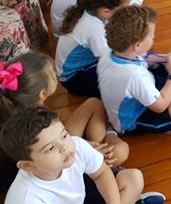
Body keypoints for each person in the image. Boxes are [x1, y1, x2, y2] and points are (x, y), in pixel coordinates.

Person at [0, 52, 130, 195]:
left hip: (51, 151)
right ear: (42, 93)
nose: (56, 75)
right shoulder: (31, 125)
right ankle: (101, 162)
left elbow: (55, 139)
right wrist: (85, 149)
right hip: (50, 169)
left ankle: (98, 159)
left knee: (94, 104)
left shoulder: (22, 109)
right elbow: (52, 155)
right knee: (121, 151)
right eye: (53, 74)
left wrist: (86, 147)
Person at [0, 106, 165, 204]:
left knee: (133, 178)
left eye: (64, 135)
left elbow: (101, 173)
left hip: (82, 196)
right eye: (50, 148)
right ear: (27, 165)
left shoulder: (75, 146)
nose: (64, 147)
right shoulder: (27, 198)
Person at [98, 6, 171, 134]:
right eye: (151, 36)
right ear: (137, 45)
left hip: (142, 90)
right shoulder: (135, 77)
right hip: (136, 119)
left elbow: (141, 59)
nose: (153, 37)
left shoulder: (111, 52)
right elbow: (160, 106)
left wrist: (165, 59)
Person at [56, 0, 134, 98]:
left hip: (79, 67)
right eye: (124, 9)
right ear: (106, 11)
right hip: (74, 78)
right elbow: (109, 60)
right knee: (124, 83)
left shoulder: (91, 10)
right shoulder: (93, 30)